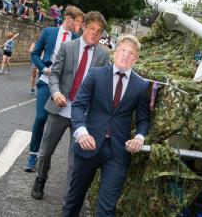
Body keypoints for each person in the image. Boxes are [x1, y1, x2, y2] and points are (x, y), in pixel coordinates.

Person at [62, 34, 150, 216]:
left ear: (136, 59)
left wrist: (139, 137)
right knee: (73, 200)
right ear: (114, 52)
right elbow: (78, 105)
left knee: (107, 208)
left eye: (131, 53)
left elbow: (143, 119)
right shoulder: (95, 74)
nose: (126, 55)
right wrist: (81, 132)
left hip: (117, 152)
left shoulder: (141, 86)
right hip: (89, 144)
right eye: (123, 50)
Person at [31, 11, 110, 200]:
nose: (94, 34)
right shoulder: (68, 47)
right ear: (84, 27)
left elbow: (102, 87)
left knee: (74, 161)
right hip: (60, 108)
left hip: (82, 116)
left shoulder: (103, 55)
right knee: (45, 152)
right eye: (91, 29)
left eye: (99, 32)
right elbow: (55, 75)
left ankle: (70, 198)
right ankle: (40, 179)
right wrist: (56, 92)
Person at [25, 5, 84, 172]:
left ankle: (45, 155)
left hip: (65, 86)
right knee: (41, 117)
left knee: (57, 124)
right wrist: (44, 69)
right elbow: (35, 54)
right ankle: (33, 154)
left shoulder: (77, 40)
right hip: (46, 79)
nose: (79, 26)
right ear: (68, 18)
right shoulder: (49, 32)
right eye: (78, 22)